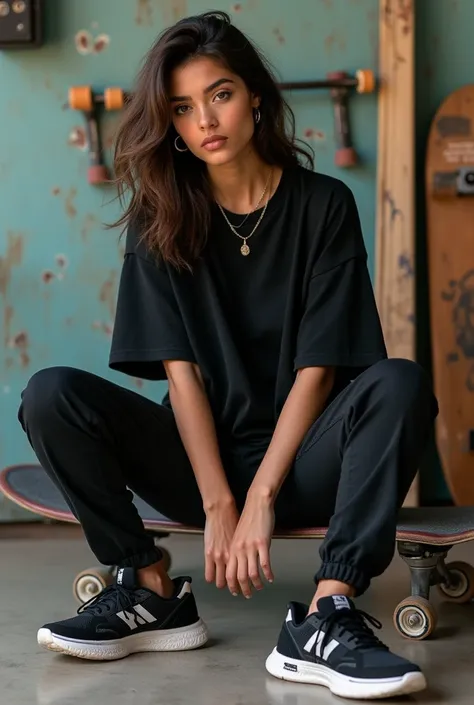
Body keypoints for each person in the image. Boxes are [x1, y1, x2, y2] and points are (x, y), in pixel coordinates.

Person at [18, 10, 438, 700]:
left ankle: (327, 616)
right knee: (51, 394)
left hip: (305, 461)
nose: (205, 120)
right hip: (197, 458)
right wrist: (219, 503)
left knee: (400, 383)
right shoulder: (161, 218)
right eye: (182, 108)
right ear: (172, 125)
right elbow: (180, 376)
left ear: (255, 98)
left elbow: (320, 369)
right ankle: (148, 585)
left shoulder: (323, 206)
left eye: (220, 94)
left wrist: (262, 497)